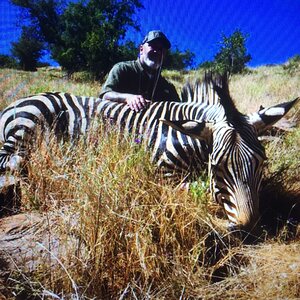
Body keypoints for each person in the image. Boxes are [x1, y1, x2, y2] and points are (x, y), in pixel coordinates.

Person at [100, 30, 180, 112]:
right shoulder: (123, 69)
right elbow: (106, 95)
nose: (157, 52)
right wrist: (128, 98)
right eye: (153, 46)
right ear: (141, 49)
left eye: (161, 49)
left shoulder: (167, 86)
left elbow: (179, 110)